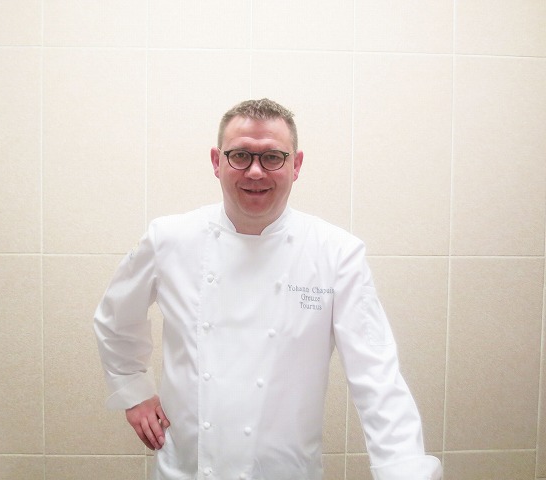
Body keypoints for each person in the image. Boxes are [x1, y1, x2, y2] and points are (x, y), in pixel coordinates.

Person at [94, 98, 442, 480]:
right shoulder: (169, 239)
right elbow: (115, 319)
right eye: (240, 155)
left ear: (296, 165)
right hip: (186, 472)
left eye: (273, 157)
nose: (256, 171)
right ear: (217, 162)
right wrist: (133, 390)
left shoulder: (336, 253)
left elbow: (377, 376)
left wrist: (403, 469)